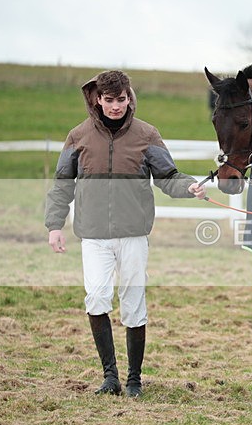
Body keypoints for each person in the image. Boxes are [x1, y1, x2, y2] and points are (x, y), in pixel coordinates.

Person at [45, 70, 205, 398]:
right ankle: (110, 377)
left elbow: (168, 176)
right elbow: (62, 184)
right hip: (93, 235)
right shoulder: (78, 136)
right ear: (97, 100)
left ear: (128, 97)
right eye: (109, 100)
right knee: (97, 298)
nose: (116, 106)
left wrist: (189, 186)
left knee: (133, 304)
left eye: (121, 99)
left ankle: (134, 380)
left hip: (133, 234)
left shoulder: (147, 135)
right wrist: (54, 226)